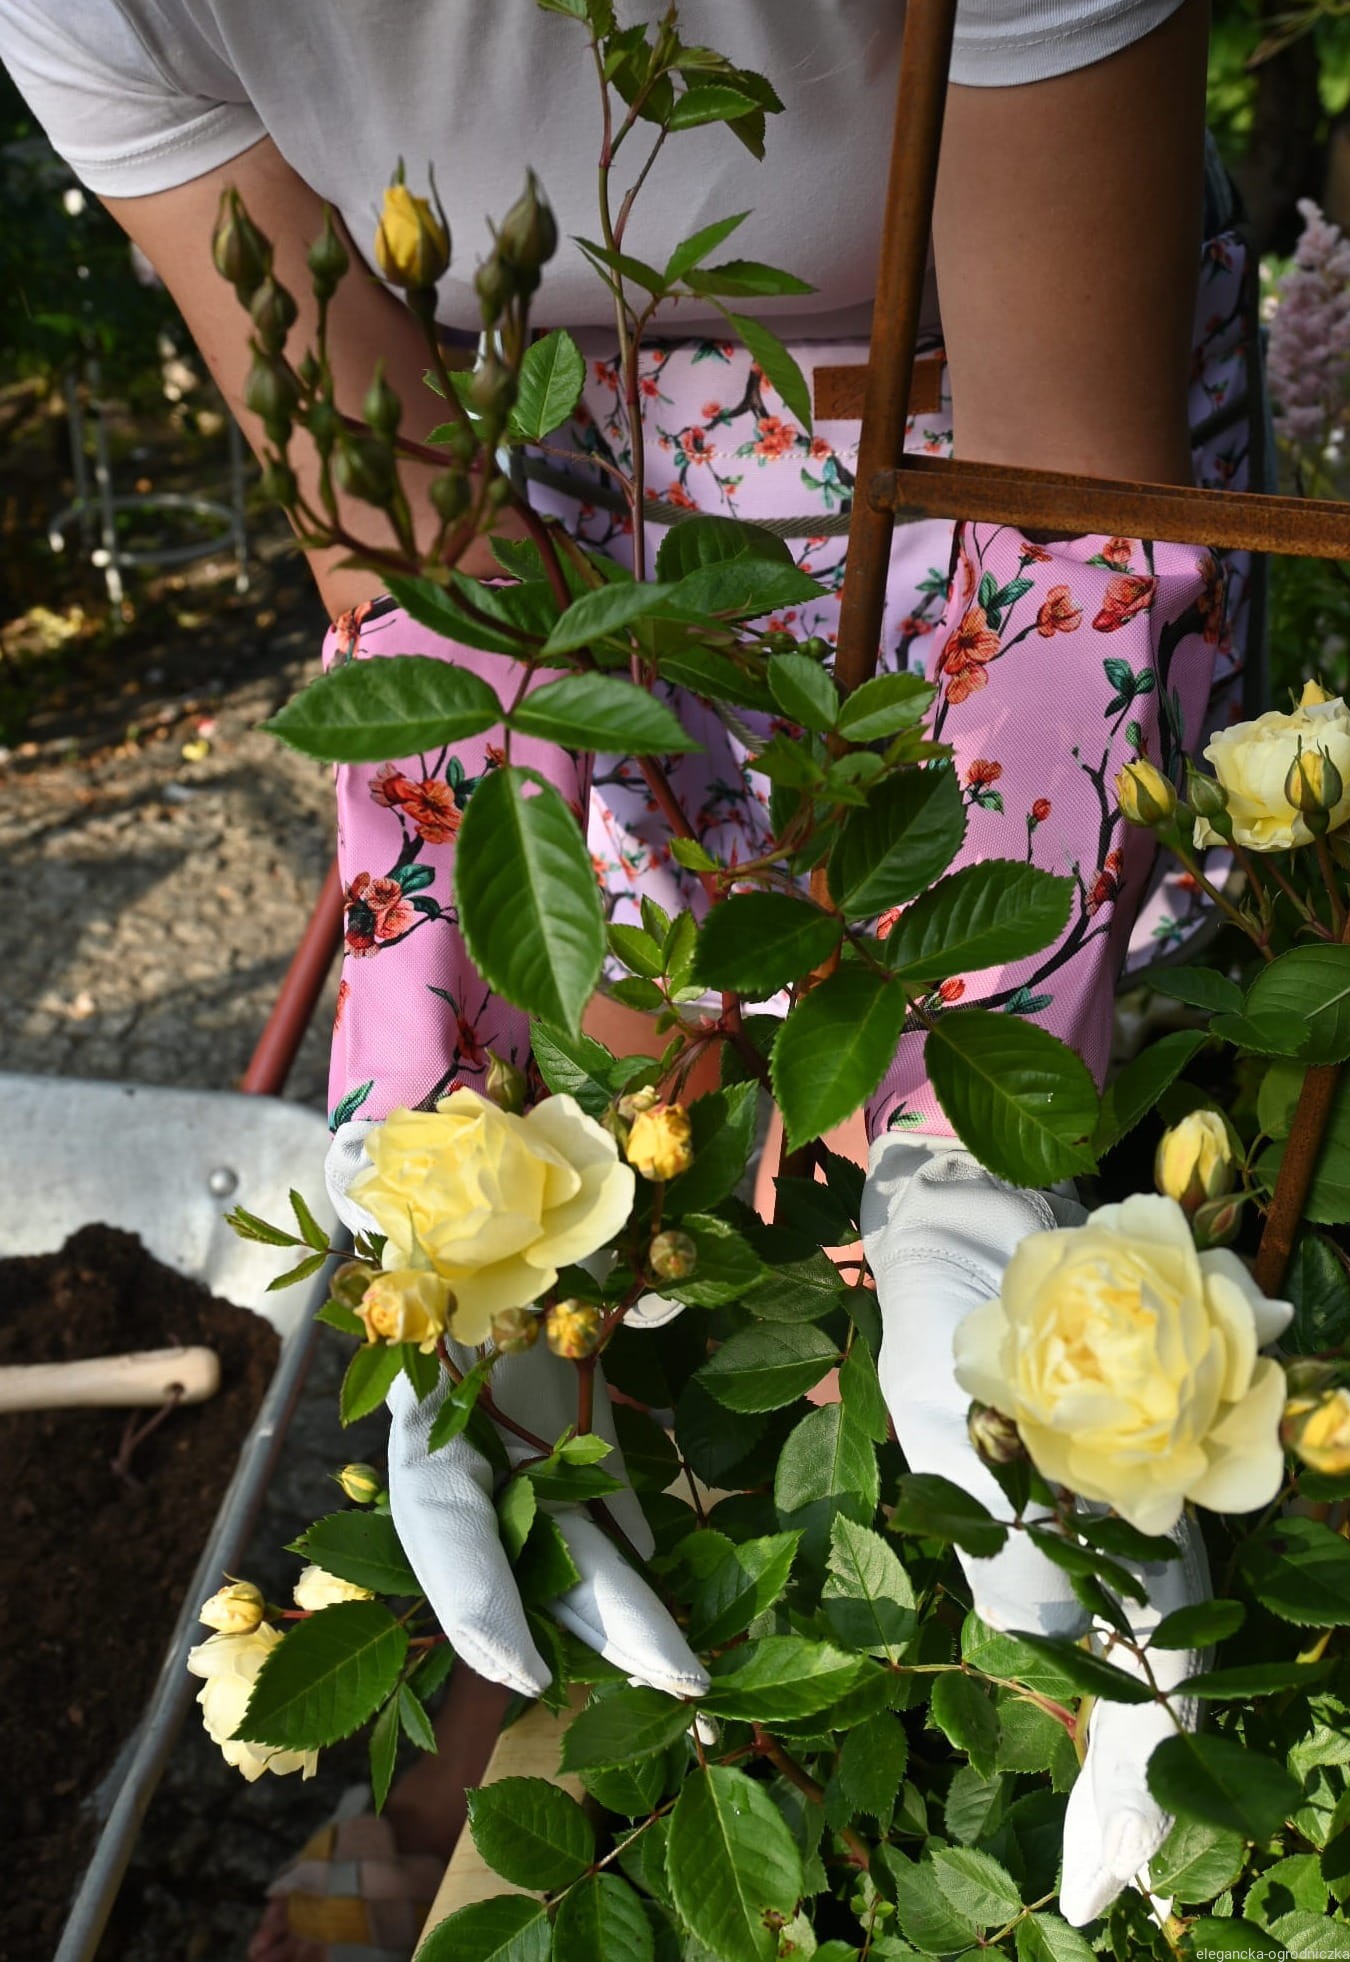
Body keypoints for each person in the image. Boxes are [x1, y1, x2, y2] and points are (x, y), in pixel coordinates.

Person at [1, 0, 1248, 1952]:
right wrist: (428, 1134)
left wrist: (954, 1141)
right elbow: (415, 561)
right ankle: (505, 1749)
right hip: (569, 530)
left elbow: (1061, 496)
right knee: (601, 1206)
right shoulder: (94, 6)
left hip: (990, 492)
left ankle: (988, 1694)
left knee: (935, 1216)